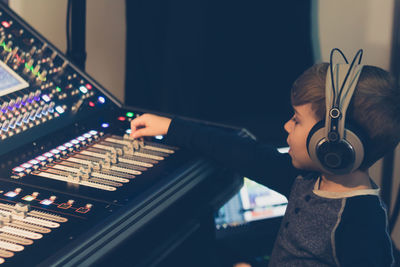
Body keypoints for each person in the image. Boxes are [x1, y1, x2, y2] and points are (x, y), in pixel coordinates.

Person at [129, 59, 399, 266]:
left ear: (332, 144)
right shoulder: (308, 179)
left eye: (296, 119)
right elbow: (245, 154)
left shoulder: (360, 223)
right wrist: (172, 126)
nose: (286, 125)